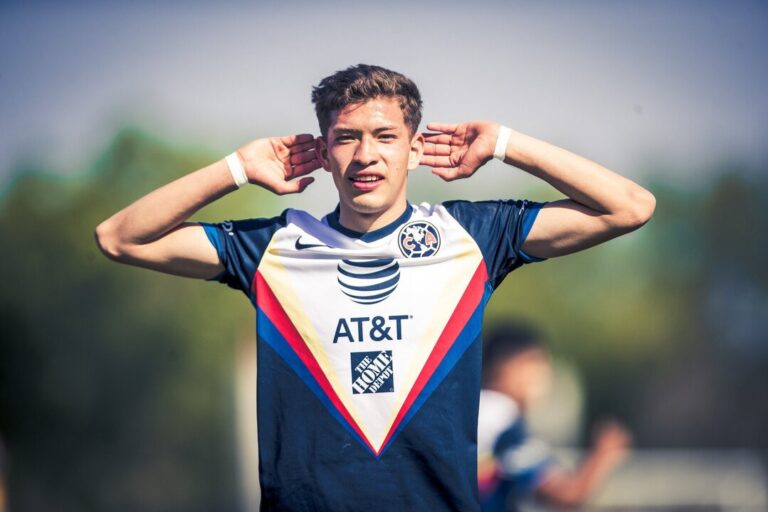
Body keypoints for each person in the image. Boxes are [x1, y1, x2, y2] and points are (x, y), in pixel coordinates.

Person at [94, 64, 655, 511]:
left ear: (415, 149)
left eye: (385, 136)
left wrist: (506, 143)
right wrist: (237, 167)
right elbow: (119, 237)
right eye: (347, 138)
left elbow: (630, 207)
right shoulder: (272, 247)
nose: (366, 155)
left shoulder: (472, 236)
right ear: (323, 152)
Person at [478, 323, 631, 511]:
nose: (544, 373)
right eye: (534, 361)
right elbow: (567, 494)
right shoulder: (500, 418)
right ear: (503, 366)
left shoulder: (479, 410)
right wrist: (604, 453)